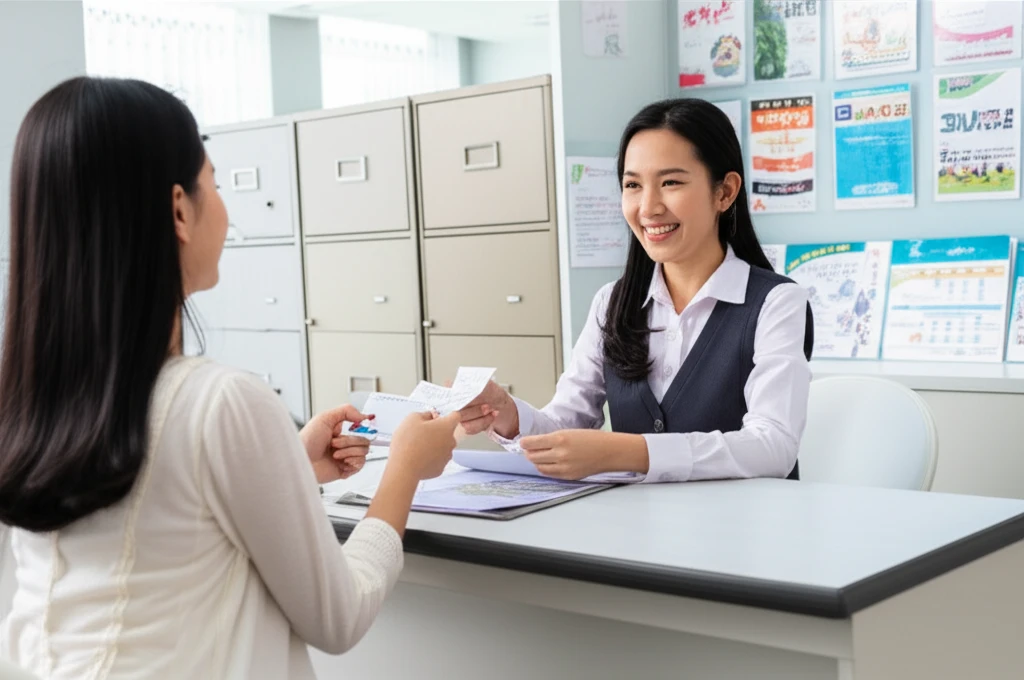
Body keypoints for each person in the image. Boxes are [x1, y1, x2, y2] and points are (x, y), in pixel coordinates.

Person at [0, 76, 459, 679]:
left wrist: (287, 467)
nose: (224, 208)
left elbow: (155, 517)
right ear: (179, 210)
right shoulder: (220, 402)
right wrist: (405, 468)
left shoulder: (27, 402)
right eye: (213, 184)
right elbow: (339, 616)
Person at [459, 98, 813, 483]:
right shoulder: (611, 303)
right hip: (634, 521)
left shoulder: (776, 303)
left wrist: (627, 452)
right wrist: (507, 413)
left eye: (670, 182)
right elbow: (564, 425)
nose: (648, 207)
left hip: (745, 520)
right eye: (632, 185)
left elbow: (772, 446)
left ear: (724, 192)